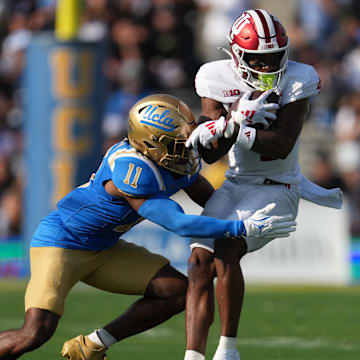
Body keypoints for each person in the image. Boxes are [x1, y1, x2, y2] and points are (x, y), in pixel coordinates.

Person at [0, 94, 296, 360]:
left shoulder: (169, 157)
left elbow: (209, 197)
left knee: (176, 291)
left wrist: (253, 199)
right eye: (175, 141)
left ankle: (92, 345)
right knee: (35, 332)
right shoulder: (132, 170)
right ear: (150, 142)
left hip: (103, 249)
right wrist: (240, 227)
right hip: (62, 245)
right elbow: (178, 222)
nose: (185, 146)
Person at [184, 9, 343, 360]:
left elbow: (282, 143)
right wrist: (225, 123)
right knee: (198, 262)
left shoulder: (299, 79)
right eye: (261, 59)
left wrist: (236, 126)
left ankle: (228, 351)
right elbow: (212, 156)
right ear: (238, 56)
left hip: (278, 187)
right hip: (236, 183)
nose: (269, 68)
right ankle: (192, 356)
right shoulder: (215, 77)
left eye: (274, 58)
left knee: (227, 250)